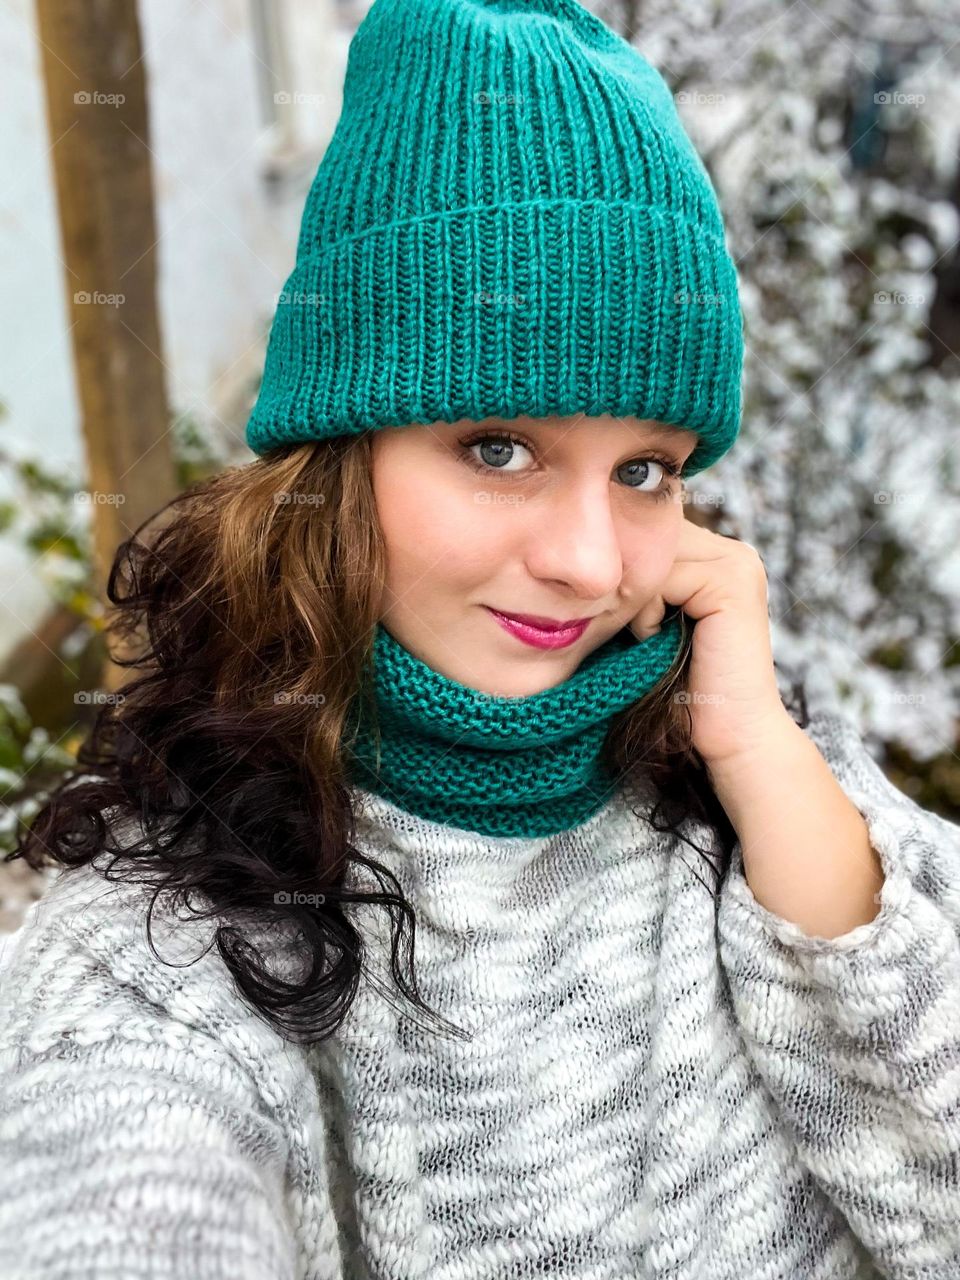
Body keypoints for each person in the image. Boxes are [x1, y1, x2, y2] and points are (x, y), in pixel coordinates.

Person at [2, 1, 959, 1277]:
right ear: (339, 458)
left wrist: (760, 755)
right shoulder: (169, 934)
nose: (592, 561)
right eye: (499, 447)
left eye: (646, 469)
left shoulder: (755, 778)